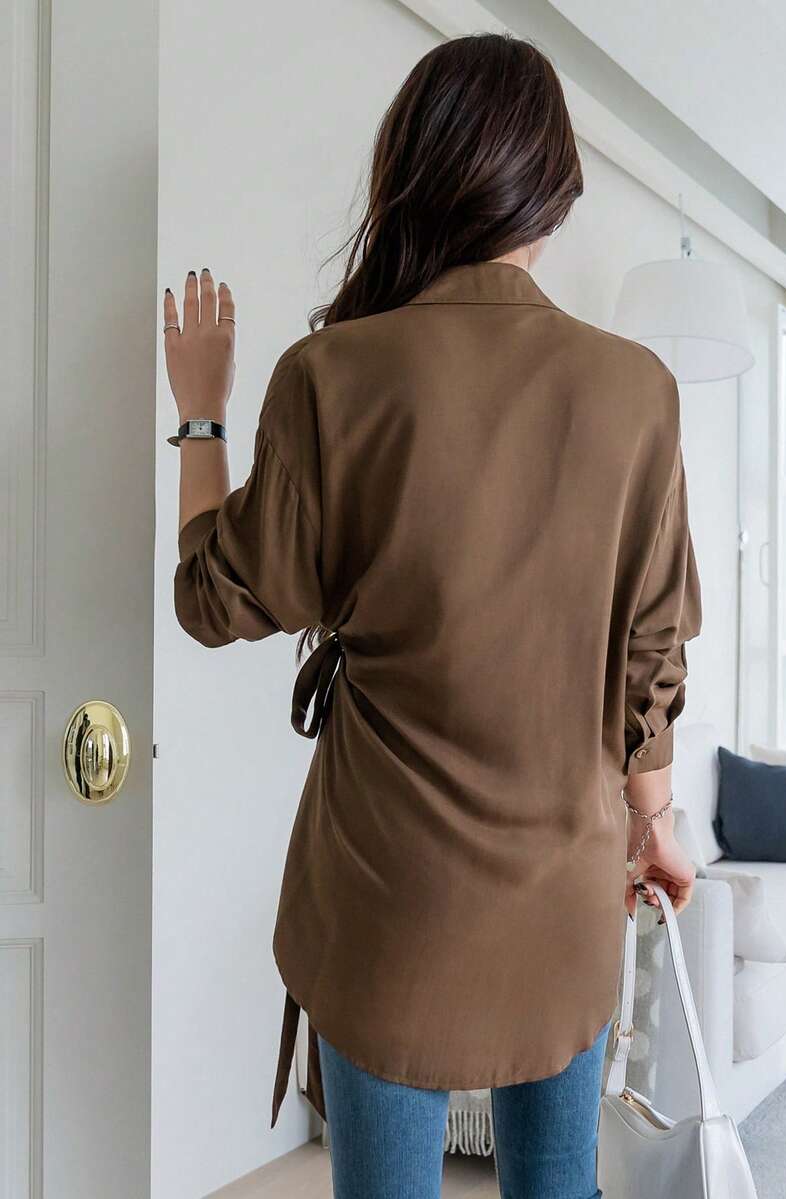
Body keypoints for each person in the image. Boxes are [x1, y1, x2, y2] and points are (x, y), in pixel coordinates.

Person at [163, 31, 702, 1199]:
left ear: (413, 172)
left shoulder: (331, 375)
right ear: (552, 191)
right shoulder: (637, 392)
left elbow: (214, 597)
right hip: (562, 895)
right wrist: (653, 820)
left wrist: (200, 417)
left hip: (386, 901)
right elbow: (650, 655)